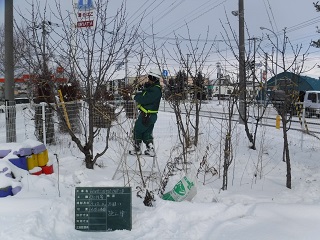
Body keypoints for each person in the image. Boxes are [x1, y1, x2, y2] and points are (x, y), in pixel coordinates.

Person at [129, 68, 162, 157]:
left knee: (137, 130)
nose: (149, 79)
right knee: (147, 132)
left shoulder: (155, 90)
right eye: (149, 77)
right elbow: (144, 93)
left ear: (155, 78)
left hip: (147, 115)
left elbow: (145, 98)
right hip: (149, 115)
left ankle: (137, 149)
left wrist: (136, 97)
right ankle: (150, 149)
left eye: (150, 77)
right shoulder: (153, 88)